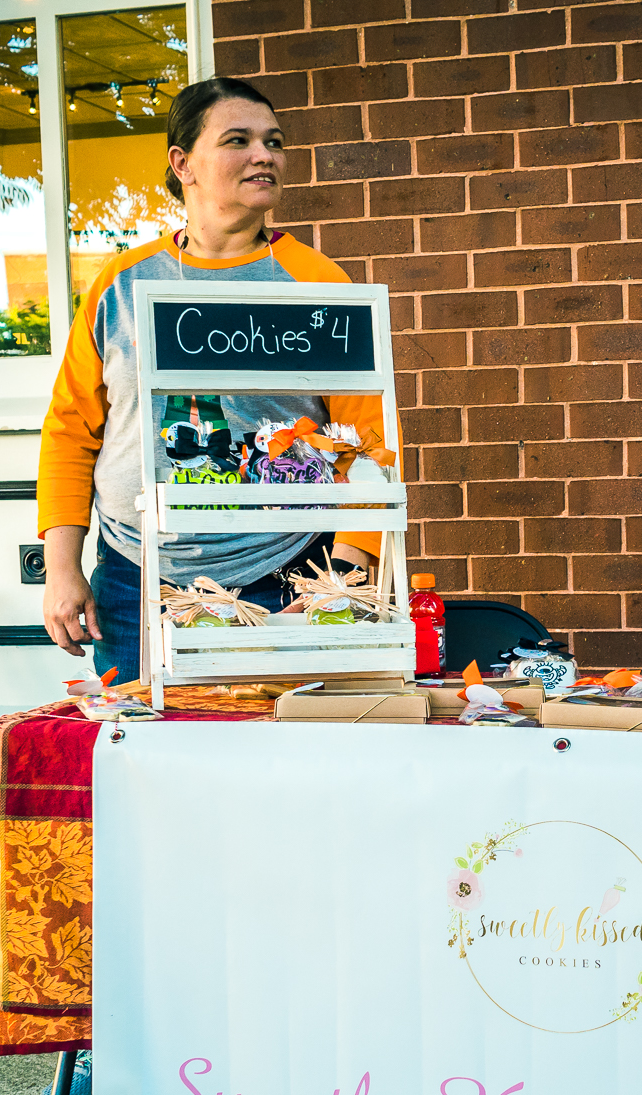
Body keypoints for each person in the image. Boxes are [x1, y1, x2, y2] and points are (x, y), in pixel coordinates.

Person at [36, 75, 385, 689]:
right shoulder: (120, 284)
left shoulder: (319, 283)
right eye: (238, 140)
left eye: (273, 142)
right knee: (140, 737)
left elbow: (369, 440)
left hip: (284, 570)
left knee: (272, 737)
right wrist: (62, 568)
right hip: (133, 572)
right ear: (183, 164)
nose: (264, 155)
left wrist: (344, 577)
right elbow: (71, 429)